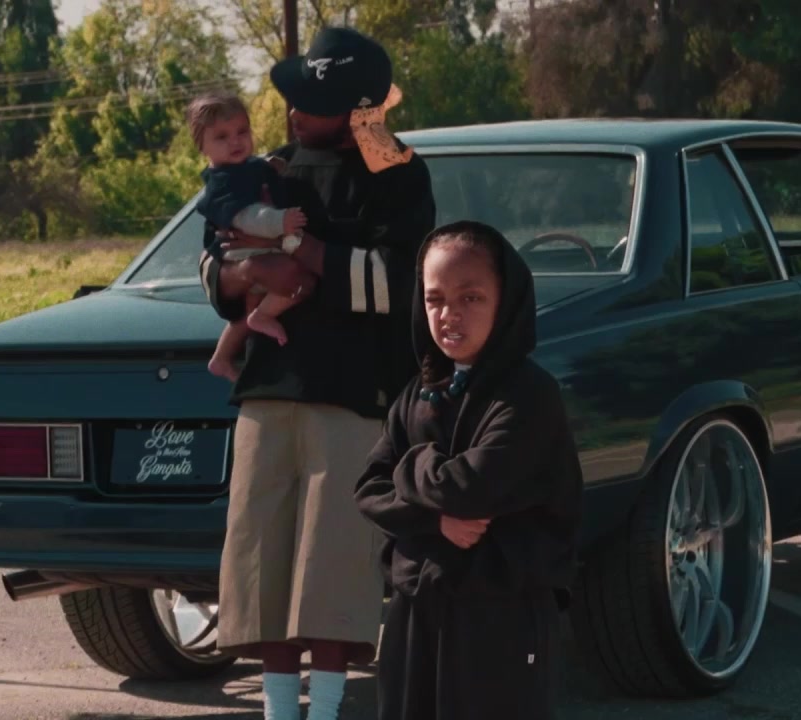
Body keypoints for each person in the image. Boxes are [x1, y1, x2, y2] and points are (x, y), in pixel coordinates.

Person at [196, 26, 436, 720]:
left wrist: (300, 252)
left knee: (333, 571)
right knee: (261, 567)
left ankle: (324, 711)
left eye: (315, 102)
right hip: (266, 393)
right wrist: (245, 273)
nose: (296, 112)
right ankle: (280, 713)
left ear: (360, 108)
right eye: (296, 97)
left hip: (355, 399)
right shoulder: (271, 164)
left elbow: (401, 283)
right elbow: (215, 259)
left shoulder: (399, 171)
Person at [354, 220, 584, 720]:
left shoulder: (528, 395)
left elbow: (469, 488)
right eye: (434, 299)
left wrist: (413, 461)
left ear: (506, 300)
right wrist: (434, 520)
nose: (449, 314)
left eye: (471, 298)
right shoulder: (418, 392)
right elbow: (369, 488)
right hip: (419, 605)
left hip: (501, 612)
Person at [185, 92, 311, 382]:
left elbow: (262, 175)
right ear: (202, 147)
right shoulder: (222, 183)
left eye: (242, 131)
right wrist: (280, 222)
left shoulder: (245, 168)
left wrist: (275, 168)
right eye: (222, 136)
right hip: (239, 250)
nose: (235, 141)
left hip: (253, 252)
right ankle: (263, 317)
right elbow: (246, 216)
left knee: (248, 308)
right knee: (300, 279)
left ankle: (221, 357)